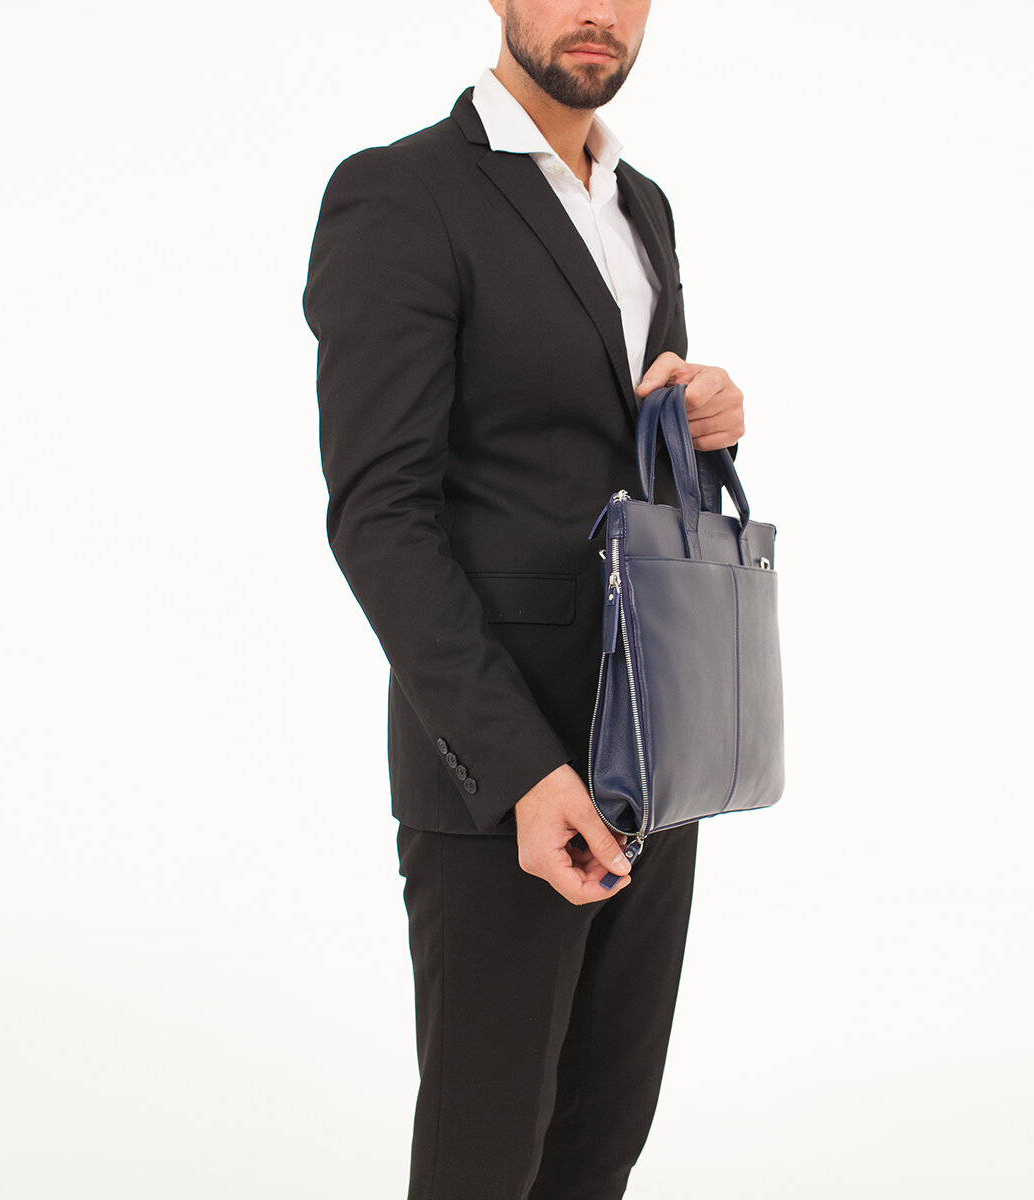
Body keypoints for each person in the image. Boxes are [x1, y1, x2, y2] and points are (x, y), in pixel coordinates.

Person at [303, 2, 746, 1196]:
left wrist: (704, 416)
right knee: (485, 1159)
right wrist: (522, 773)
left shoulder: (641, 205)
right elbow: (379, 518)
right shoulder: (401, 195)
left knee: (600, 1145)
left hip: (653, 750)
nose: (596, 11)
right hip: (505, 771)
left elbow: (628, 472)